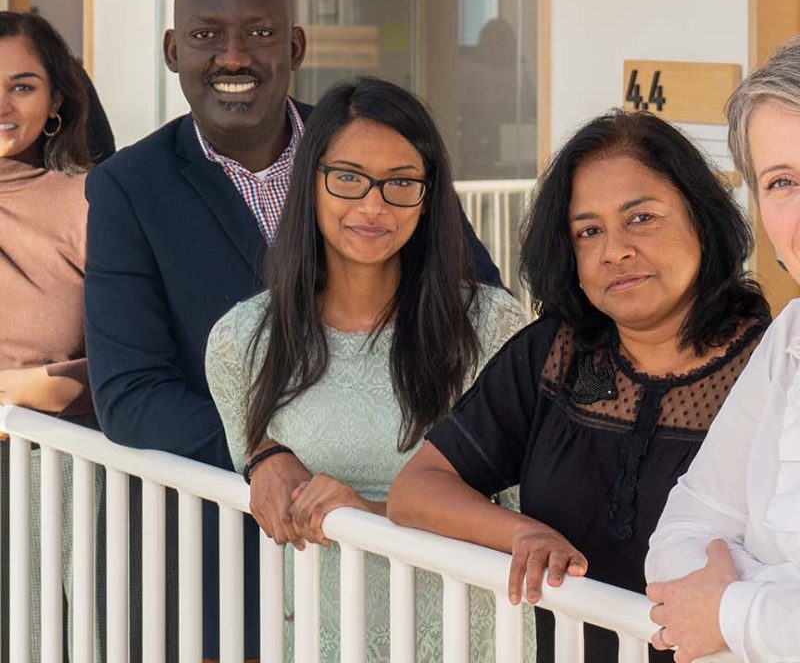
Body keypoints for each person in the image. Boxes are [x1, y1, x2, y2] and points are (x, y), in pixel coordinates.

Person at [84, 0, 500, 659]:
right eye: (206, 34)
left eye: (260, 32)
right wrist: (263, 452)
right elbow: (131, 395)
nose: (234, 56)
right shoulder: (129, 188)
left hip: (399, 553)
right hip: (227, 568)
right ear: (173, 50)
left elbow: (474, 309)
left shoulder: (371, 152)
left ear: (296, 47)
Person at [388, 109, 771, 662]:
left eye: (641, 218)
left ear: (701, 217)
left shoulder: (774, 368)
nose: (615, 250)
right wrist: (521, 534)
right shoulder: (557, 353)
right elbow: (416, 490)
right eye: (588, 231)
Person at [205, 75, 528, 660]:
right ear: (311, 181)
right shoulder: (243, 341)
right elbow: (262, 474)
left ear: (429, 195)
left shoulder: (491, 327)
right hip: (320, 640)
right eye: (348, 178)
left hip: (468, 639)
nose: (373, 206)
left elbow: (521, 512)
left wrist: (372, 519)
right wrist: (263, 455)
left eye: (401, 182)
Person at [646, 37, 800, 663]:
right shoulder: (789, 337)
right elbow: (680, 533)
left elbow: (711, 598)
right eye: (782, 182)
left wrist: (732, 609)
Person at [0, 10, 95, 661]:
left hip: (48, 478)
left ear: (56, 99)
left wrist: (17, 391)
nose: (1, 105)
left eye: (22, 86)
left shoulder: (91, 202)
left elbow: (129, 367)